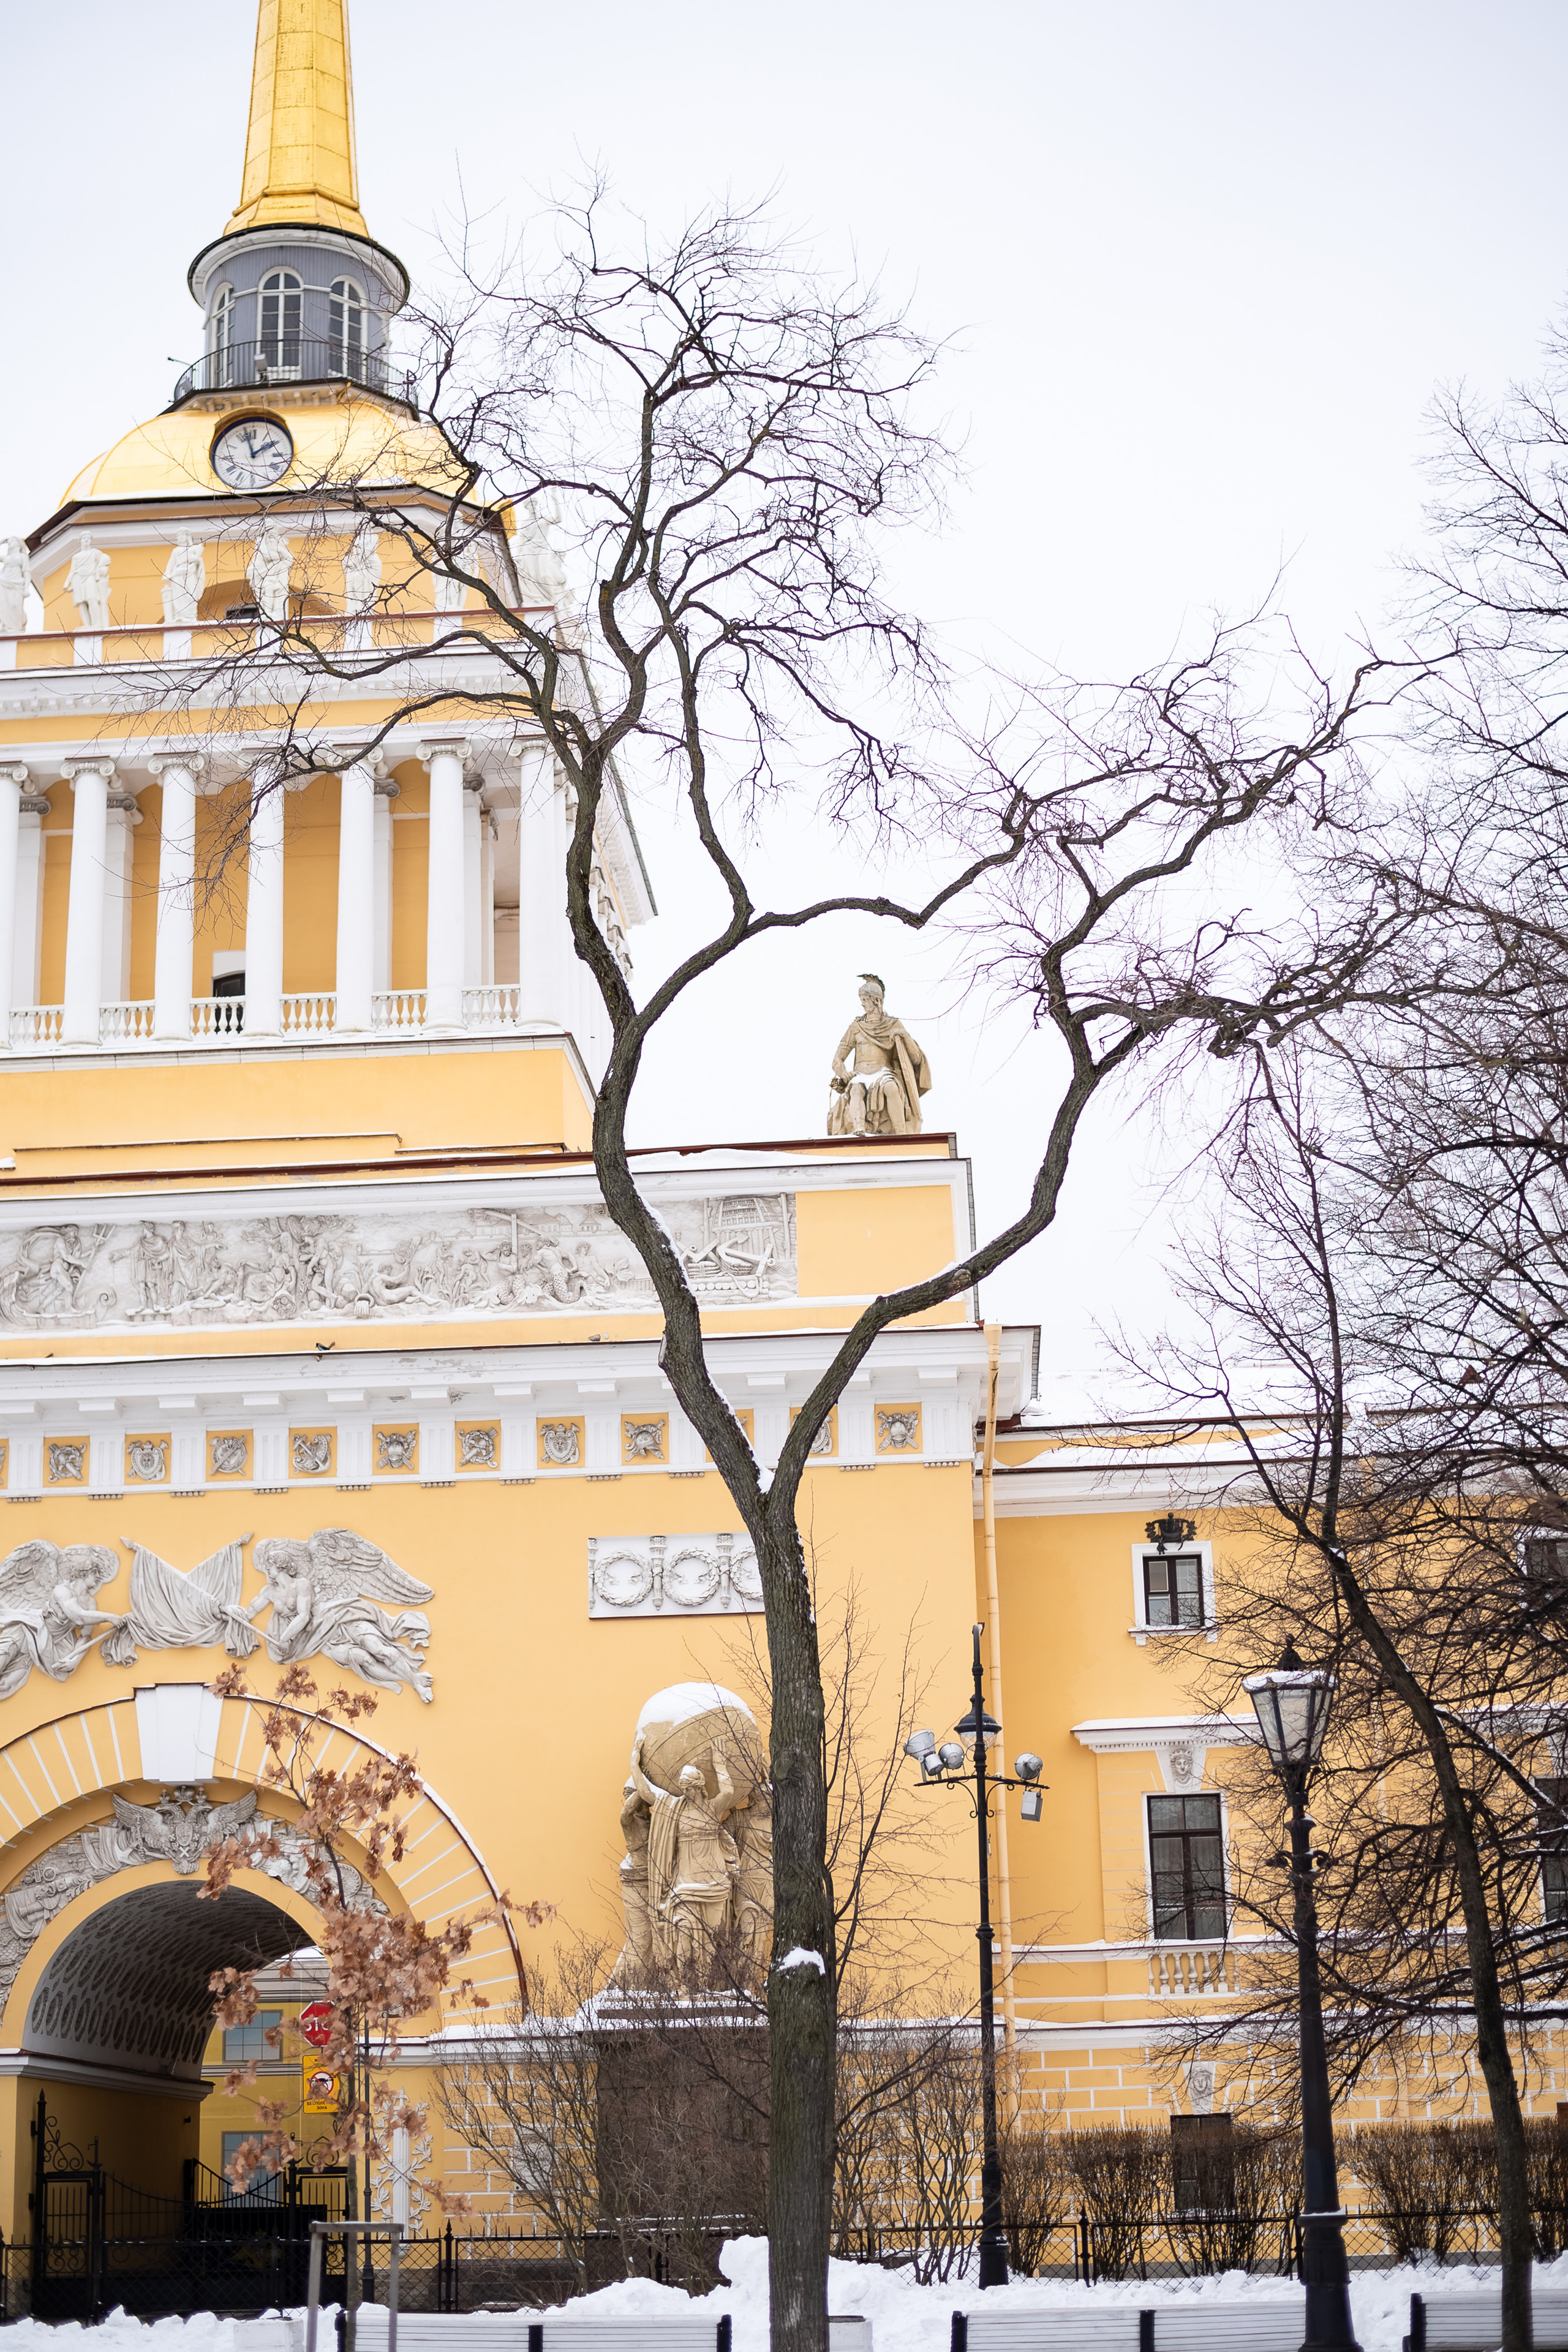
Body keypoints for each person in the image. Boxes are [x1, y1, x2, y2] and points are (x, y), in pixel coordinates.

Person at [828, 973, 932, 1135]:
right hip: (861, 1074)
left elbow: (917, 1058)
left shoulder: (893, 1024)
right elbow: (837, 1060)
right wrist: (844, 1073)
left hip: (885, 1073)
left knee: (891, 1087)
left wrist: (904, 1036)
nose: (862, 1004)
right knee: (856, 1089)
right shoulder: (856, 1027)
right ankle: (859, 1129)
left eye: (865, 1000)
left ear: (876, 1000)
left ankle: (901, 1133)